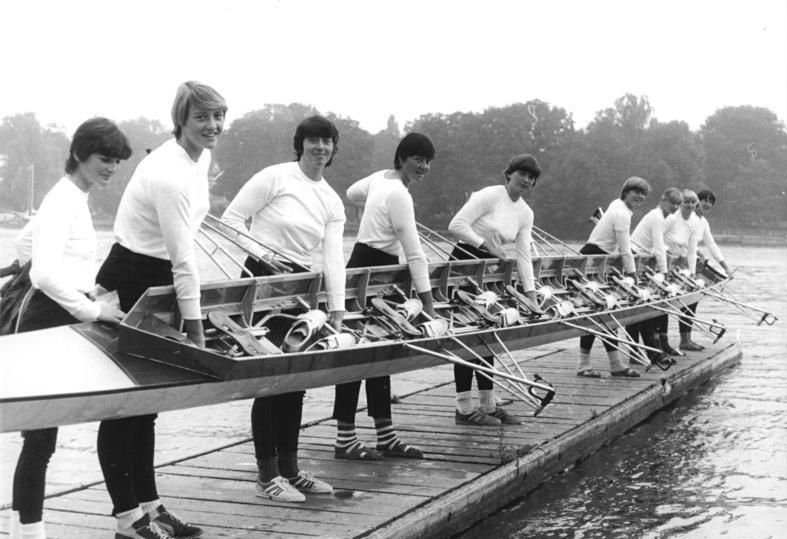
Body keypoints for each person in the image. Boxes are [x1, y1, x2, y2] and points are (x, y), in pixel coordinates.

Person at [94, 81, 226, 539]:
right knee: (126, 401)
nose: (213, 127)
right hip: (131, 279)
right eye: (202, 118)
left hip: (158, 279)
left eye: (218, 116)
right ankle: (126, 519)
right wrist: (196, 332)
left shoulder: (200, 158)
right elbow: (183, 257)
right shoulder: (168, 173)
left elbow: (189, 237)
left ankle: (150, 505)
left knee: (148, 403)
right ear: (181, 121)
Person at [8, 118, 131, 539]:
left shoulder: (71, 196)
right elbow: (42, 274)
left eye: (116, 161)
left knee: (41, 436)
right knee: (40, 437)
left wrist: (78, 295)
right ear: (79, 154)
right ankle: (31, 533)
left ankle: (23, 527)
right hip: (47, 320)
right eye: (104, 159)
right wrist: (91, 310)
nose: (111, 168)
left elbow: (25, 246)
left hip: (56, 314)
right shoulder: (65, 199)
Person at [221, 115, 344, 503]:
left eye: (327, 141)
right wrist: (264, 256)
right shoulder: (275, 177)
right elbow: (230, 220)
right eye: (313, 140)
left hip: (302, 288)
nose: (320, 148)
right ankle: (266, 476)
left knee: (296, 380)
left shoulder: (331, 198)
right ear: (300, 143)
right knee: (273, 378)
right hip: (259, 282)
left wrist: (336, 309)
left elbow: (333, 256)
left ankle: (290, 469)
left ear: (333, 148)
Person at [333, 133, 436, 460]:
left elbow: (351, 192)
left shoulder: (380, 179)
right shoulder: (400, 194)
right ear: (403, 158)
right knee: (357, 354)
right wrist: (429, 305)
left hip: (364, 266)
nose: (424, 167)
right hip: (373, 269)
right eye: (418, 159)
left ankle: (385, 436)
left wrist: (376, 209)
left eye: (428, 160)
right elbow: (415, 253)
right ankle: (345, 440)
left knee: (381, 352)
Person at [446, 153, 542, 426]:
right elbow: (456, 225)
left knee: (488, 336)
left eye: (531, 177)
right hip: (463, 268)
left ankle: (488, 406)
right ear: (508, 174)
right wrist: (487, 246)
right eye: (521, 174)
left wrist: (532, 295)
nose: (526, 180)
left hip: (488, 275)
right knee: (468, 338)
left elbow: (523, 255)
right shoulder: (489, 195)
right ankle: (464, 409)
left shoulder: (526, 212)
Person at [576, 176, 650, 378]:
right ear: (626, 191)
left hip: (595, 258)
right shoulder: (622, 213)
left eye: (643, 194)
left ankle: (612, 364)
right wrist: (633, 278)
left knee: (602, 312)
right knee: (598, 313)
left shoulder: (616, 205)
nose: (640, 197)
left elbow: (618, 244)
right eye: (637, 192)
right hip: (592, 260)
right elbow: (625, 250)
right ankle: (587, 365)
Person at [627, 187, 683, 360]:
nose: (674, 207)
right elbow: (658, 246)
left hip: (643, 261)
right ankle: (637, 353)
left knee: (646, 306)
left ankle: (652, 351)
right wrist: (665, 274)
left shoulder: (664, 217)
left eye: (677, 204)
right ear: (663, 200)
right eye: (672, 202)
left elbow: (659, 245)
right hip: (635, 259)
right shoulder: (657, 216)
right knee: (638, 307)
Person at [675, 189, 732, 350]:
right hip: (680, 264)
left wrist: (725, 267)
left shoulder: (703, 222)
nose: (707, 204)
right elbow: (681, 241)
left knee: (692, 301)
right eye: (704, 200)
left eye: (711, 202)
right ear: (696, 201)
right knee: (686, 301)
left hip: (691, 263)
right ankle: (683, 340)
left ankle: (686, 339)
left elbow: (711, 245)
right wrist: (698, 254)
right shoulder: (688, 217)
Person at [660, 189, 705, 354]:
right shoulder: (672, 218)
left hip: (681, 265)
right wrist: (667, 254)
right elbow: (656, 239)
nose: (691, 205)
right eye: (687, 202)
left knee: (692, 297)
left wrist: (692, 273)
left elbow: (692, 250)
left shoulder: (695, 222)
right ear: (680, 204)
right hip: (662, 261)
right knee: (664, 300)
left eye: (694, 202)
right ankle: (661, 343)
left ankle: (686, 340)